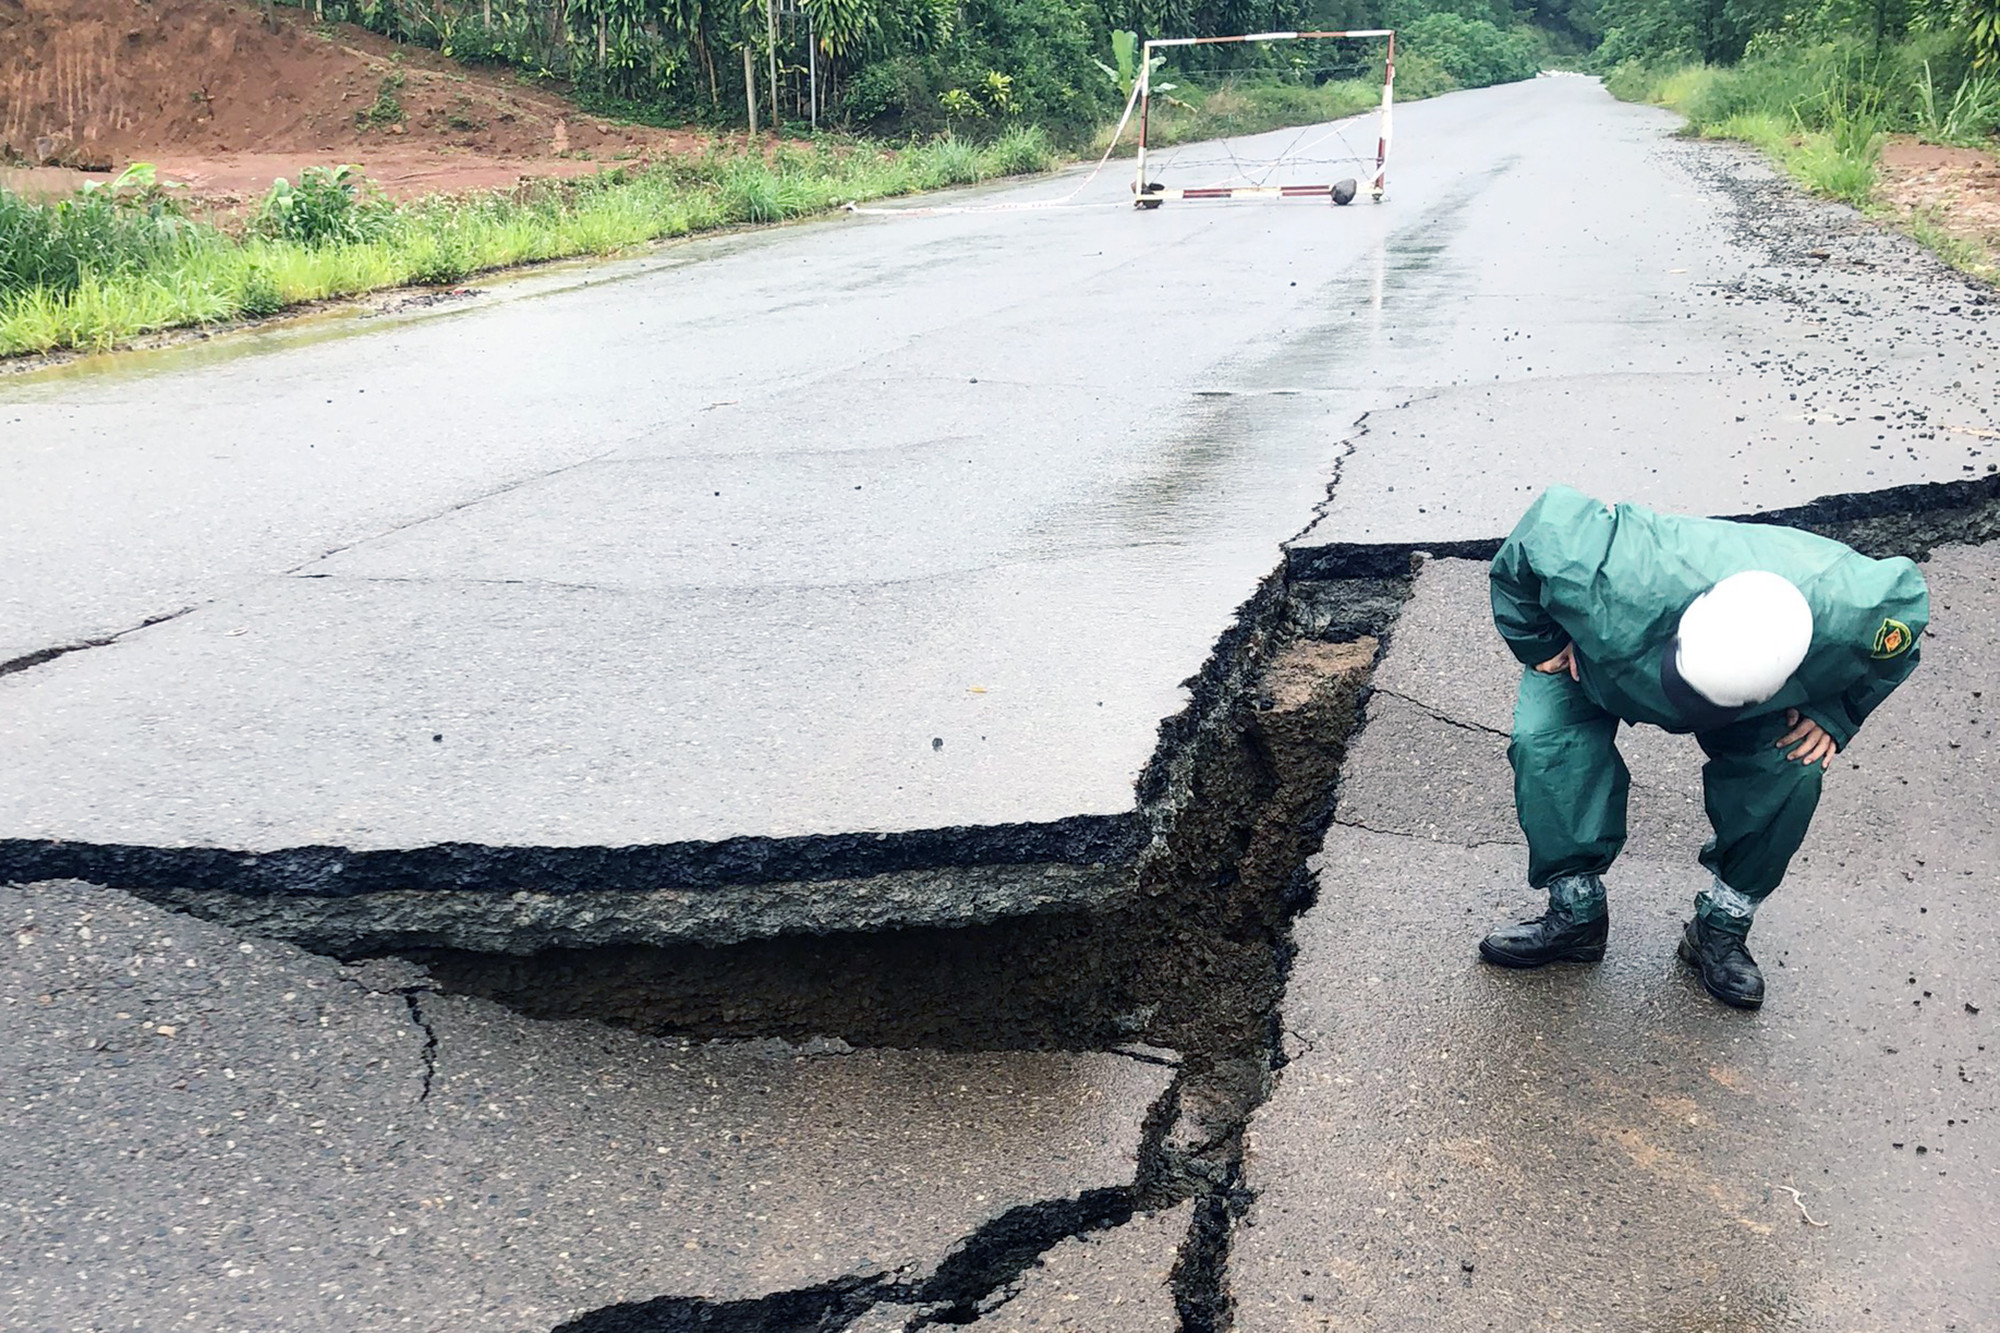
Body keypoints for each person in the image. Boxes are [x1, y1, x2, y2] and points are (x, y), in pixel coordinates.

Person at [1479, 485, 1928, 1009]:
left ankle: (1721, 927)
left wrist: (1836, 714)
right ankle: (1575, 914)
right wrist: (1540, 641)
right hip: (1594, 657)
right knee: (1545, 745)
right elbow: (1536, 535)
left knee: (1792, 767)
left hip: (1759, 702)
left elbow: (1904, 625)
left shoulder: (1853, 607)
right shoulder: (1611, 569)